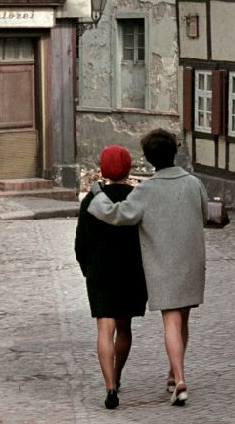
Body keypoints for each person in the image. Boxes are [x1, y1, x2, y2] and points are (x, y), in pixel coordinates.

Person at [88, 128, 207, 408]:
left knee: (171, 322)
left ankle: (179, 379)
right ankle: (173, 374)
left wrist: (98, 195)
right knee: (184, 320)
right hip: (191, 259)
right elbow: (205, 214)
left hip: (163, 262)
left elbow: (118, 215)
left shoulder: (146, 190)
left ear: (150, 159)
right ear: (173, 152)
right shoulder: (193, 183)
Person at [74, 144, 148, 410]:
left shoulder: (92, 201)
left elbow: (80, 243)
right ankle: (118, 376)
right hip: (131, 271)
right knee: (124, 329)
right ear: (128, 168)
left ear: (103, 168)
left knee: (104, 330)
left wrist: (88, 270)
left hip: (101, 271)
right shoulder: (137, 197)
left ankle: (109, 387)